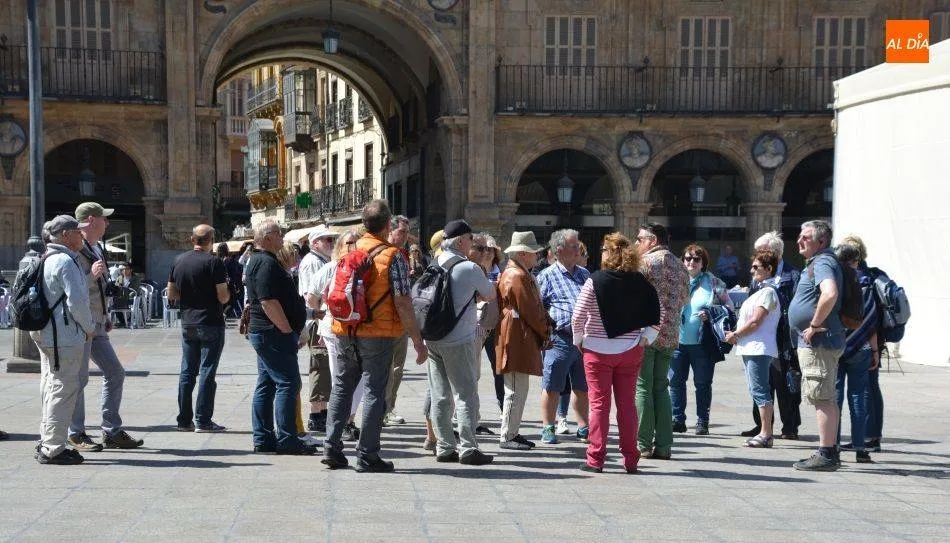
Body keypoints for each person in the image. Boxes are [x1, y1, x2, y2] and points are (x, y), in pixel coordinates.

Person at [322, 200, 427, 472]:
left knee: (343, 387)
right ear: (388, 224)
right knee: (373, 390)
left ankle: (331, 448)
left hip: (345, 329)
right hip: (377, 333)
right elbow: (403, 301)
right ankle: (367, 454)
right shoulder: (394, 256)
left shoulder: (350, 249)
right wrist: (417, 339)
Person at [571, 233, 661, 473]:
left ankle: (596, 459)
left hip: (597, 350)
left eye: (603, 250)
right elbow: (656, 313)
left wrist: (578, 340)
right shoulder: (640, 280)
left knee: (599, 405)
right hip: (630, 349)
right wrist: (645, 339)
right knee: (627, 405)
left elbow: (578, 315)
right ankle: (631, 459)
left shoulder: (595, 280)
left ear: (609, 254)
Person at [67, 202, 143, 452]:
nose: (108, 223)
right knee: (79, 379)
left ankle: (111, 431)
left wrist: (106, 312)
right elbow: (71, 288)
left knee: (115, 372)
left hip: (97, 322)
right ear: (91, 220)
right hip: (80, 324)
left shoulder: (96, 248)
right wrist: (92, 275)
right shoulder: (74, 249)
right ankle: (75, 433)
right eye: (104, 219)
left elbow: (97, 288)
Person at [425, 220, 497, 465]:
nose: (472, 243)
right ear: (459, 241)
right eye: (470, 239)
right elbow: (489, 294)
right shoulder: (469, 267)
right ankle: (468, 448)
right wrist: (483, 269)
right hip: (459, 338)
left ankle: (445, 447)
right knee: (466, 394)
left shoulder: (435, 262)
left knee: (440, 395)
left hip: (433, 338)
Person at [244, 220, 315, 455]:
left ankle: (264, 438)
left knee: (266, 384)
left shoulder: (262, 260)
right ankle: (287, 439)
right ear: (265, 238)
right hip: (272, 333)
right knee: (288, 383)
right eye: (278, 233)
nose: (282, 237)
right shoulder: (265, 263)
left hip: (266, 332)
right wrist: (286, 329)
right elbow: (268, 301)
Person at [32, 216, 95, 465]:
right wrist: (89, 328)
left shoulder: (46, 258)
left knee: (50, 385)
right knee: (63, 389)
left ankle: (47, 439)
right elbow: (77, 302)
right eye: (78, 233)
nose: (82, 237)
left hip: (47, 334)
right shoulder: (66, 261)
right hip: (64, 337)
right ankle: (54, 448)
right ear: (66, 235)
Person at [789, 220, 846, 471]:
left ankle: (826, 454)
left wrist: (813, 324)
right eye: (799, 236)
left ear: (821, 242)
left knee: (821, 396)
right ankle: (829, 450)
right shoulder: (819, 262)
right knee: (825, 396)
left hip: (819, 342)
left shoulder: (822, 262)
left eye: (806, 237)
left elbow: (830, 293)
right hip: (821, 342)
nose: (799, 241)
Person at [634, 223, 689, 459]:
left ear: (652, 240)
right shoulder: (680, 266)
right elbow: (684, 299)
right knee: (661, 387)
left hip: (645, 334)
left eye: (639, 239)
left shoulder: (645, 264)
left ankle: (643, 444)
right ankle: (665, 445)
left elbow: (632, 297)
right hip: (670, 334)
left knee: (643, 386)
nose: (636, 244)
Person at [167, 224, 230, 433]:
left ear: (192, 239)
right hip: (211, 321)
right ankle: (203, 420)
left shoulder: (178, 260)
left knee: (187, 371)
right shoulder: (214, 262)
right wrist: (229, 295)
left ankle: (184, 420)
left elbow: (172, 294)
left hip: (188, 321)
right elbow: (222, 295)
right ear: (211, 240)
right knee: (207, 371)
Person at [741, 231, 802, 440]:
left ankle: (790, 426)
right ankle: (762, 425)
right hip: (761, 336)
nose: (758, 255)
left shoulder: (792, 275)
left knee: (784, 381)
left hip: (782, 336)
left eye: (762, 251)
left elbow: (795, 306)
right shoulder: (758, 278)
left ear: (774, 253)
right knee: (760, 380)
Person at [669, 243, 733, 436]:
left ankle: (702, 422)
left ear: (703, 262)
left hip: (702, 343)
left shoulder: (713, 282)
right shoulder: (676, 280)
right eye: (687, 258)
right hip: (677, 341)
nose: (691, 262)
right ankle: (677, 420)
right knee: (675, 382)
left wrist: (711, 313)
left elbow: (728, 307)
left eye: (696, 259)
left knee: (703, 384)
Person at [496, 231, 552, 451]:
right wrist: (545, 330)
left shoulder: (516, 273)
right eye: (532, 253)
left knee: (518, 387)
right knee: (516, 389)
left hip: (516, 334)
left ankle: (512, 433)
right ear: (522, 254)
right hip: (516, 336)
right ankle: (508, 435)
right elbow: (530, 309)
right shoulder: (517, 275)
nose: (536, 256)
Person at [536, 229, 590, 444]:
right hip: (559, 339)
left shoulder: (585, 274)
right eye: (574, 246)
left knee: (582, 385)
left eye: (578, 246)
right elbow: (538, 308)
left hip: (585, 340)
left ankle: (584, 427)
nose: (579, 249)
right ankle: (548, 428)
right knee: (552, 384)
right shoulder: (546, 276)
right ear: (559, 251)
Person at [725, 249, 783, 448]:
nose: (752, 271)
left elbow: (755, 321)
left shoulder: (768, 292)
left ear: (769, 269)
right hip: (751, 347)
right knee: (756, 389)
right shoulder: (761, 290)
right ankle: (764, 431)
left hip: (759, 347)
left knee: (760, 390)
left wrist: (736, 335)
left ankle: (766, 433)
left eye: (756, 267)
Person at [311, 231, 363, 442]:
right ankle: (344, 423)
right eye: (348, 243)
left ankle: (348, 420)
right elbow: (311, 297)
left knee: (359, 378)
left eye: (356, 243)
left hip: (360, 329)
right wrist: (322, 321)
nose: (352, 246)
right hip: (334, 330)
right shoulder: (330, 268)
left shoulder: (365, 267)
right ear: (340, 246)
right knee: (339, 378)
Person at [833, 240, 879, 464]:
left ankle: (833, 444)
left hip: (836, 345)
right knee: (859, 396)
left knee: (836, 396)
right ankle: (861, 448)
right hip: (861, 347)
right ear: (857, 260)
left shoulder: (833, 280)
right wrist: (875, 349)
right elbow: (871, 320)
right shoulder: (866, 281)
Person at [297, 225, 339, 434]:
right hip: (316, 321)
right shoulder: (313, 262)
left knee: (324, 368)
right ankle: (316, 413)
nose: (331, 243)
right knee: (319, 366)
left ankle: (322, 410)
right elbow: (310, 296)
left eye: (332, 240)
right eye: (327, 240)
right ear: (315, 243)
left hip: (320, 318)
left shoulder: (323, 261)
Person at [470, 232, 504, 419]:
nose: (488, 252)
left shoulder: (503, 271)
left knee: (499, 369)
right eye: (485, 248)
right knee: (473, 370)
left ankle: (503, 408)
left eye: (491, 249)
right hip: (476, 325)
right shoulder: (473, 270)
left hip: (496, 326)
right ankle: (473, 412)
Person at [383, 214, 411, 426]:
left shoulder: (402, 254)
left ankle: (388, 407)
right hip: (387, 319)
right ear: (390, 231)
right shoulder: (387, 253)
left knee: (397, 368)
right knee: (388, 368)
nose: (405, 236)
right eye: (402, 231)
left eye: (407, 232)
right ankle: (384, 410)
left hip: (400, 321)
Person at [216, 243, 244, 319]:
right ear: (226, 250)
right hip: (230, 284)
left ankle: (220, 315)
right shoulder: (229, 260)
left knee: (222, 302)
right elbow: (234, 274)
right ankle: (223, 315)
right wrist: (237, 285)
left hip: (220, 284)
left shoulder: (217, 260)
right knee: (232, 303)